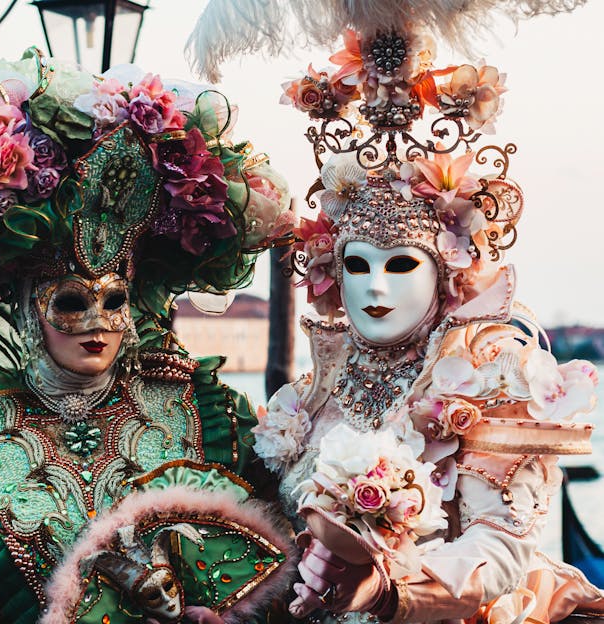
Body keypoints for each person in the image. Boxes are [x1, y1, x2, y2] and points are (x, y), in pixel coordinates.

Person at [0, 49, 296, 624]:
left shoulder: (204, 411)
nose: (97, 322)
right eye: (69, 301)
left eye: (113, 301)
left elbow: (273, 575)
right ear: (26, 306)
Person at [229, 21, 604, 624]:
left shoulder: (487, 373)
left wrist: (385, 594)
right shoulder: (310, 395)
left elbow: (499, 549)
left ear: (445, 273)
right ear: (332, 269)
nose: (375, 286)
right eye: (357, 264)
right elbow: (274, 544)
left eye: (402, 264)